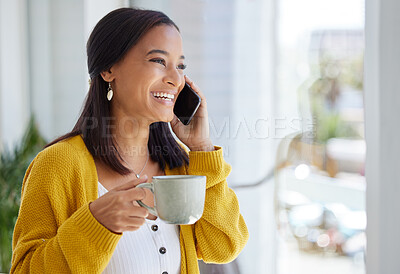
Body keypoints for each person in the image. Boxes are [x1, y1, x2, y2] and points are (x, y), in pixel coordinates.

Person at [11, 7, 248, 274]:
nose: (175, 78)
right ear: (109, 69)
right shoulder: (58, 165)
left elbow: (224, 246)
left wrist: (202, 149)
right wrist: (95, 224)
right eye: (159, 61)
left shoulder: (179, 165)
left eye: (180, 66)